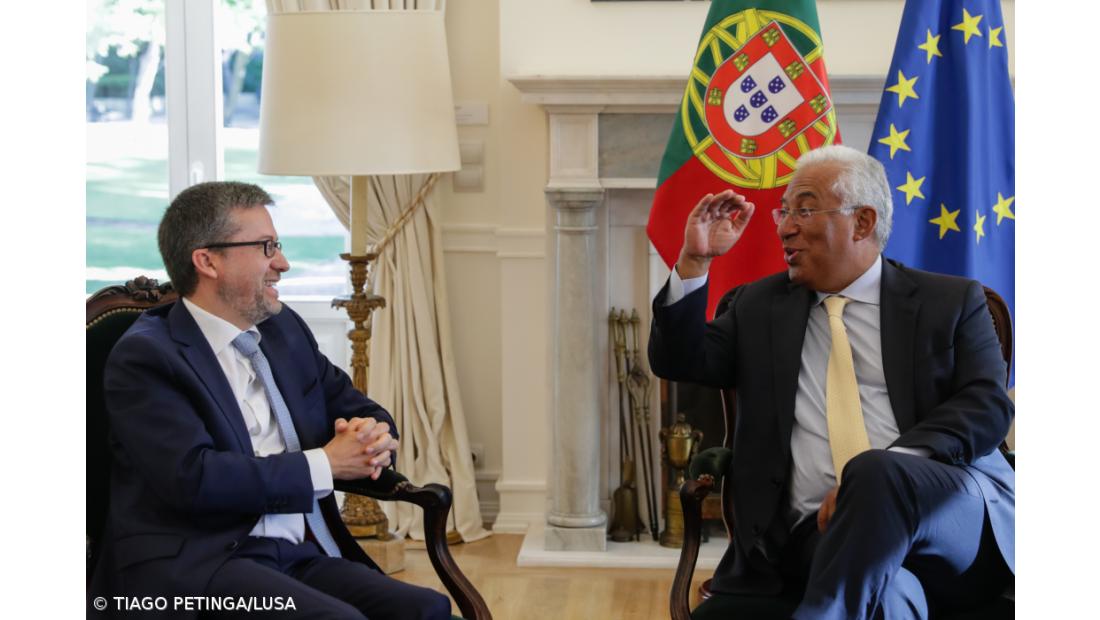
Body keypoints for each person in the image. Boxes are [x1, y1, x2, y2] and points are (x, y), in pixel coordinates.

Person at [648, 145, 1014, 619]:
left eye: (804, 210)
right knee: (891, 593)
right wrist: (694, 263)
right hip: (816, 535)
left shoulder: (949, 302)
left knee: (874, 472)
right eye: (784, 212)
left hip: (947, 519)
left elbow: (986, 406)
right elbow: (679, 360)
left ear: (862, 222)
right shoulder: (757, 307)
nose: (784, 227)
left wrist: (884, 476)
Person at [89, 181, 452, 619]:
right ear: (207, 261)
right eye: (266, 247)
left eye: (277, 245)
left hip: (292, 553)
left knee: (427, 609)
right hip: (195, 565)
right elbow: (194, 479)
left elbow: (356, 407)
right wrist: (328, 463)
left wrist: (371, 436)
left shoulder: (283, 330)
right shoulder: (148, 357)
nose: (282, 263)